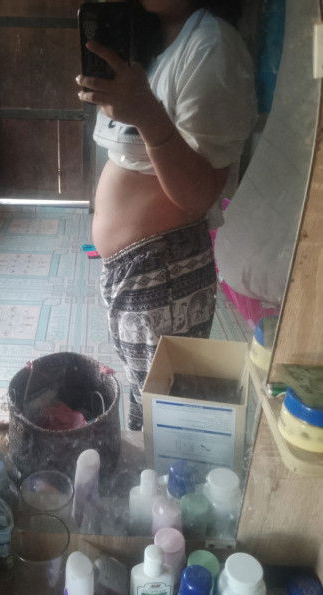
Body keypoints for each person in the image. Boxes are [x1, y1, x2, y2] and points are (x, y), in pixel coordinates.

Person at [76, 0, 257, 430]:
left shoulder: (213, 47)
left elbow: (198, 194)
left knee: (165, 413)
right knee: (153, 399)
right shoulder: (148, 41)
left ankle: (166, 471)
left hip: (164, 271)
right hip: (138, 271)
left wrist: (147, 114)